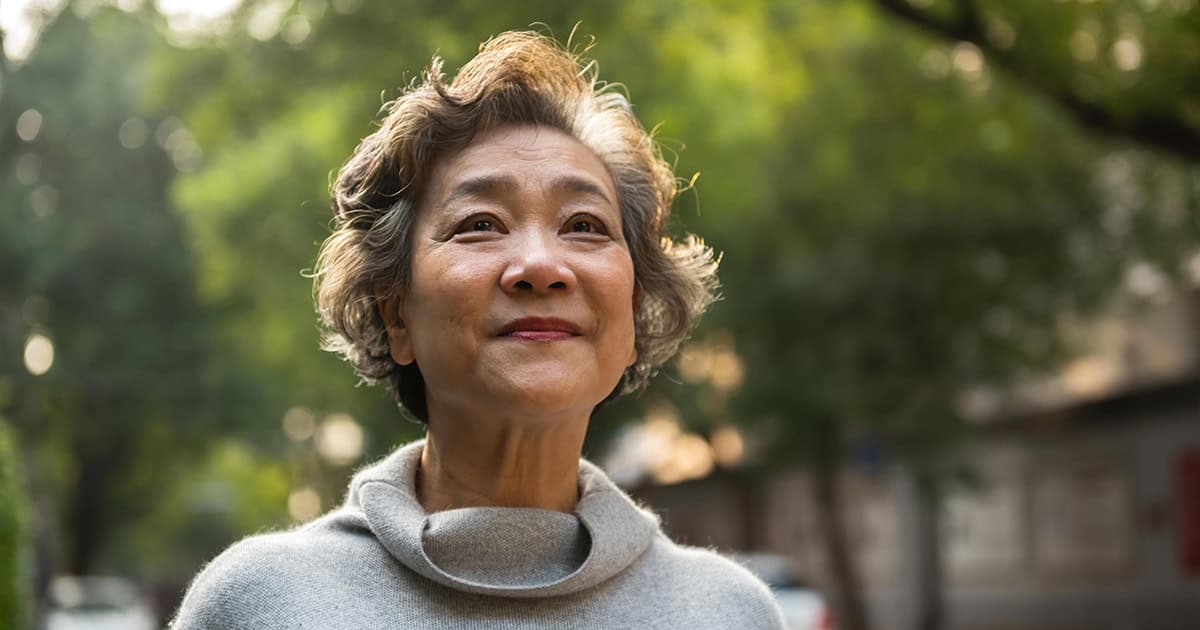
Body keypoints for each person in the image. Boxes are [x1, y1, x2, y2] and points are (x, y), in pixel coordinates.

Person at [171, 30, 786, 629]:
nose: (542, 266)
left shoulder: (729, 613)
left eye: (585, 225)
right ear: (395, 315)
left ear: (632, 317)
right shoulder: (258, 604)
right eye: (481, 224)